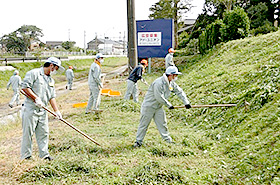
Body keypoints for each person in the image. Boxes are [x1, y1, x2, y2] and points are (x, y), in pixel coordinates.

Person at [133, 66, 191, 147]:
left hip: (158, 107)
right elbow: (159, 96)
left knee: (163, 124)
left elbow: (179, 92)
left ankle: (168, 141)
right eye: (175, 75)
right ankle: (138, 142)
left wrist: (186, 103)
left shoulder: (171, 83)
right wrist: (169, 105)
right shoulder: (159, 82)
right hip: (149, 107)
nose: (176, 77)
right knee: (144, 125)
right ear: (170, 75)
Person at [21, 57, 64, 160]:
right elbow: (25, 87)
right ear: (51, 65)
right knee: (28, 133)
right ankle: (26, 156)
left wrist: (56, 111)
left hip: (43, 110)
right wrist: (36, 98)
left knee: (44, 133)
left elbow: (51, 96)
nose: (56, 71)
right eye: (56, 68)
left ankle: (44, 155)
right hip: (31, 109)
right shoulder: (34, 73)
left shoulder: (50, 80)